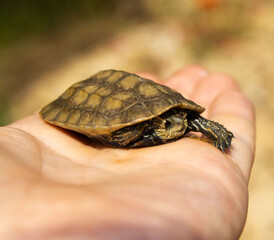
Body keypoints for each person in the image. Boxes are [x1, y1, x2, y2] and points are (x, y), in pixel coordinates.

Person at [0, 65, 255, 239]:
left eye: (180, 121)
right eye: (169, 123)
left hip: (151, 103)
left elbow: (187, 120)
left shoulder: (181, 120)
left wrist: (214, 131)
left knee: (184, 118)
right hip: (93, 98)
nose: (179, 125)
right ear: (159, 124)